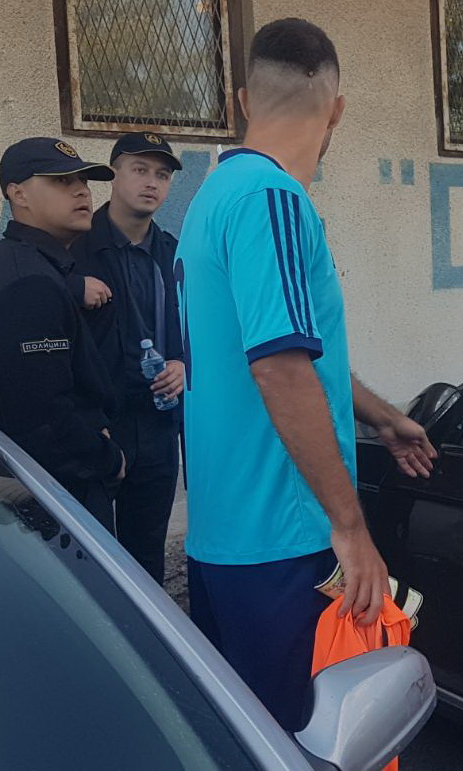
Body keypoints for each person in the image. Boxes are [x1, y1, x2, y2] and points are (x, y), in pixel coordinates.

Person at [173, 17, 435, 731]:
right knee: (309, 741)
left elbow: (281, 353)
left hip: (223, 539)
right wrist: (350, 528)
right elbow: (281, 369)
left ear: (242, 101)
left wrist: (380, 414)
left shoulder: (211, 197)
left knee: (250, 736)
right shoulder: (274, 198)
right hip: (284, 539)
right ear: (337, 110)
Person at [0, 137, 123, 527]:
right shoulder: (28, 282)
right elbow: (44, 423)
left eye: (83, 180)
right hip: (48, 503)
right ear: (18, 194)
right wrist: (109, 459)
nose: (81, 191)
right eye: (62, 181)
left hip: (38, 496)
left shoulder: (27, 267)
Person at [67, 132, 184, 582]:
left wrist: (183, 364)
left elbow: (195, 328)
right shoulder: (73, 249)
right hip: (97, 426)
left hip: (157, 424)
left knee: (147, 556)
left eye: (162, 175)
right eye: (139, 170)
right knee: (86, 555)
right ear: (114, 174)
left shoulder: (174, 252)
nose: (151, 182)